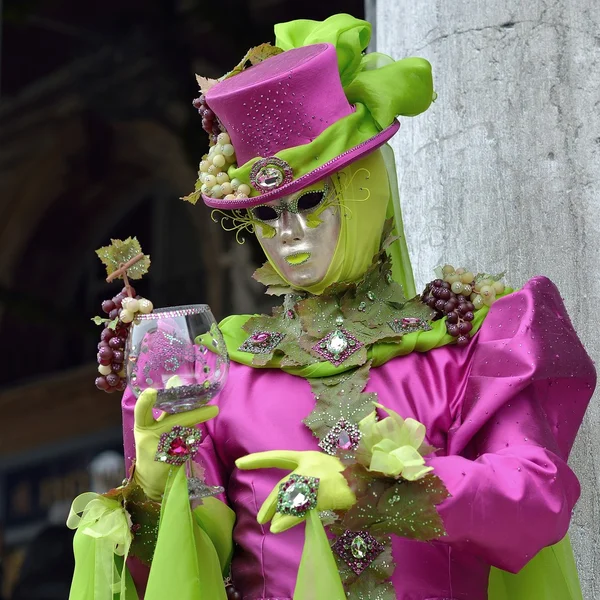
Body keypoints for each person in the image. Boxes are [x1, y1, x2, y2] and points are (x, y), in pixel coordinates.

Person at [68, 14, 595, 600]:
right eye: (267, 213)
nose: (288, 232)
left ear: (365, 190)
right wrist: (157, 487)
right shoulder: (222, 375)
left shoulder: (464, 350)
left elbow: (537, 499)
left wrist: (378, 489)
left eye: (313, 200)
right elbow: (185, 575)